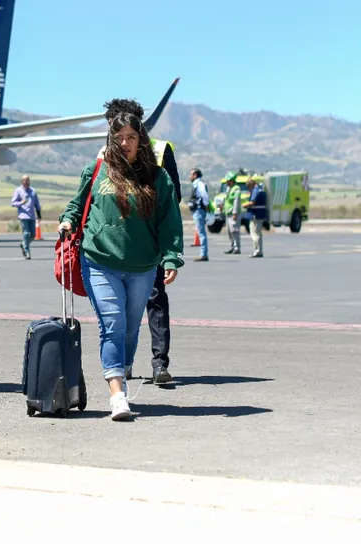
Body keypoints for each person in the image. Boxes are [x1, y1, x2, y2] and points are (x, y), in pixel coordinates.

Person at [59, 104, 183, 421]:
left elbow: (170, 221)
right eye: (120, 136)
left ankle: (124, 365)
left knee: (128, 329)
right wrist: (68, 221)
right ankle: (118, 394)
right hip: (98, 259)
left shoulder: (159, 178)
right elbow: (77, 204)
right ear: (111, 139)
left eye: (131, 136)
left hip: (143, 265)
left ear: (141, 140)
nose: (126, 142)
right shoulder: (97, 170)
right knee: (112, 325)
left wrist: (171, 256)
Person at [11, 175, 42, 260]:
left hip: (31, 216)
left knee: (33, 234)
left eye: (28, 181)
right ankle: (27, 251)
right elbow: (13, 203)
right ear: (22, 181)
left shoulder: (33, 191)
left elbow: (37, 204)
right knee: (26, 233)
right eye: (25, 181)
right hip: (23, 215)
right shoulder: (18, 191)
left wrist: (39, 215)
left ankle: (24, 243)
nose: (27, 182)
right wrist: (21, 202)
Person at [187, 169, 211, 262]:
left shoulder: (199, 184)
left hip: (199, 210)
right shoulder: (196, 184)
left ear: (195, 175)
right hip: (197, 210)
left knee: (201, 232)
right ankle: (203, 253)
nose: (190, 176)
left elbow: (204, 196)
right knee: (201, 231)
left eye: (191, 174)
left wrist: (206, 206)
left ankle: (203, 254)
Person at [244, 177, 267, 258]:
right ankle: (259, 250)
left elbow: (252, 202)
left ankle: (257, 251)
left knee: (255, 233)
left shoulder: (255, 190)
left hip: (255, 215)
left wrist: (244, 205)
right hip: (261, 214)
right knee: (258, 233)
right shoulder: (261, 189)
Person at [223, 172, 243, 255]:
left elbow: (236, 202)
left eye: (228, 180)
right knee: (229, 231)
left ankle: (237, 247)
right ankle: (232, 246)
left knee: (234, 231)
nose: (226, 182)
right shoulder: (229, 188)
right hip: (228, 213)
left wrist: (235, 213)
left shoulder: (236, 189)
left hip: (233, 213)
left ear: (231, 180)